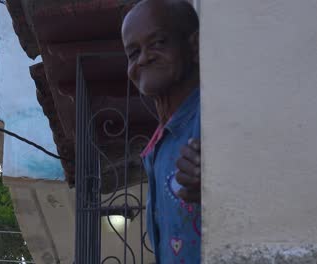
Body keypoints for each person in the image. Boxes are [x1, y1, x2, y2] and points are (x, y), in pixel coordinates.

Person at [121, 0, 201, 263]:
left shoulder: (211, 115)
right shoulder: (162, 142)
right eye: (133, 53)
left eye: (158, 43)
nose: (144, 58)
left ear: (194, 45)